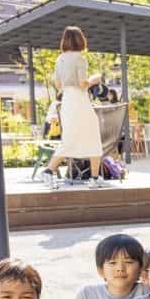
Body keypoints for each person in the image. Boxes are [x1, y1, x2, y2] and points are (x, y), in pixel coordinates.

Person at [40, 26, 105, 189]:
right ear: (80, 40)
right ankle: (50, 171)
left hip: (67, 101)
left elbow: (57, 84)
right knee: (92, 135)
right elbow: (83, 84)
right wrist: (94, 79)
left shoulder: (60, 59)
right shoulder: (80, 59)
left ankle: (50, 171)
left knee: (70, 137)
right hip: (80, 101)